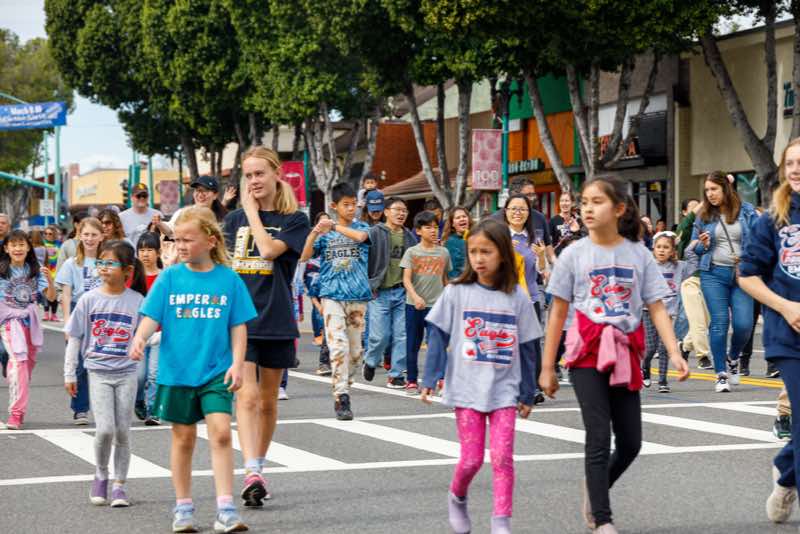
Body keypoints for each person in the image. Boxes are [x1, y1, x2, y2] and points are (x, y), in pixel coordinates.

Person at [540, 175, 689, 534]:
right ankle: (602, 519)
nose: (587, 209)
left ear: (619, 208)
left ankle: (595, 487)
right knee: (597, 434)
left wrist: (674, 351)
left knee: (631, 443)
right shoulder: (573, 254)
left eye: (597, 202)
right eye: (584, 202)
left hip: (624, 352)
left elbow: (656, 306)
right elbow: (557, 313)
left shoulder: (638, 254)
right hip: (587, 352)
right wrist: (546, 367)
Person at [130, 206, 256, 533]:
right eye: (177, 240)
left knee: (222, 432)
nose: (180, 245)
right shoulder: (170, 277)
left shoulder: (229, 279)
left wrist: (238, 363)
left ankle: (226, 509)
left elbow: (238, 326)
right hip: (177, 371)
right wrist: (140, 338)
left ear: (210, 241)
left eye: (188, 239)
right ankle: (183, 507)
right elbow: (151, 316)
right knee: (183, 438)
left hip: (216, 370)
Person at [420, 218, 540, 534]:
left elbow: (529, 347)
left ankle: (501, 521)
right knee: (471, 460)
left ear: (502, 254)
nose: (478, 258)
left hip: (504, 391)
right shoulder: (457, 292)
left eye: (486, 251)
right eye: (473, 251)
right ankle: (457, 497)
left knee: (502, 458)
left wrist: (528, 391)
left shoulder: (518, 297)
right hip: (466, 389)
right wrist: (430, 378)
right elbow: (438, 335)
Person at [223, 146, 310, 508]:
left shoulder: (295, 220)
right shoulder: (232, 220)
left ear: (276, 173)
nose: (254, 181)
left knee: (269, 401)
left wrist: (251, 213)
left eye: (259, 173)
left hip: (276, 317)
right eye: (248, 175)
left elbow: (269, 250)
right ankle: (251, 471)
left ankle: (258, 464)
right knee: (247, 396)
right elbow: (222, 267)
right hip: (240, 321)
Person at [737, 137, 800, 525]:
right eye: (790, 163)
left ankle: (786, 471)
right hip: (789, 336)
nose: (795, 169)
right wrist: (785, 306)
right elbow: (747, 275)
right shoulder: (772, 220)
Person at [64, 240, 146, 507]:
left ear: (127, 270)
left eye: (110, 263)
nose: (103, 267)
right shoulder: (88, 299)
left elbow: (147, 334)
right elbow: (74, 336)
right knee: (105, 430)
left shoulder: (137, 301)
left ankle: (120, 485)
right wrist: (69, 373)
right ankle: (101, 474)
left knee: (123, 432)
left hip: (127, 373)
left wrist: (146, 344)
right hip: (98, 372)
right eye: (101, 262)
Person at [301, 182, 370, 420]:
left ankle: (345, 385)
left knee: (355, 352)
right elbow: (305, 255)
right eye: (346, 204)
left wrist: (334, 226)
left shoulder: (362, 227)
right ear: (334, 206)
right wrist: (314, 232)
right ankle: (342, 396)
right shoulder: (325, 234)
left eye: (354, 204)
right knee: (338, 346)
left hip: (357, 296)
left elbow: (361, 237)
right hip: (331, 295)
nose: (351, 208)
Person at [691, 171, 758, 392]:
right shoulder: (704, 215)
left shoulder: (747, 211)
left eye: (714, 189)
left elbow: (761, 240)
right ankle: (720, 373)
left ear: (725, 189)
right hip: (713, 274)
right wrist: (703, 244)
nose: (710, 194)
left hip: (742, 276)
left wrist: (748, 257)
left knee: (744, 325)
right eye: (707, 190)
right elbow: (693, 248)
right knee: (719, 323)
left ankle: (733, 357)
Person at [0, 230, 55, 429]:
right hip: (9, 322)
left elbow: (50, 297)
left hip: (31, 322)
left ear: (28, 247)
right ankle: (16, 413)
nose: (18, 248)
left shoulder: (35, 269)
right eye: (13, 245)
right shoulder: (2, 270)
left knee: (27, 366)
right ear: (6, 248)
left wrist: (49, 280)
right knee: (19, 363)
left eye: (21, 244)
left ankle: (17, 389)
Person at [55, 217, 104, 425]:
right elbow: (66, 295)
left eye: (94, 235)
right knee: (79, 364)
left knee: (103, 363)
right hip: (79, 311)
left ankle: (104, 408)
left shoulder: (107, 261)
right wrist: (68, 323)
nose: (90, 239)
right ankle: (80, 409)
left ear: (101, 236)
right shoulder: (71, 263)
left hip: (103, 312)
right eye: (86, 235)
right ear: (79, 236)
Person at [364, 196, 416, 388]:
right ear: (386, 212)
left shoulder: (410, 237)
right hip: (379, 293)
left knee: (402, 335)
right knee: (381, 336)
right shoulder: (374, 233)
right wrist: (369, 286)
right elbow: (363, 260)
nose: (401, 213)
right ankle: (371, 361)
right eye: (397, 209)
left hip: (402, 292)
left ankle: (396, 375)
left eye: (404, 210)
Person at [400, 211, 452, 396]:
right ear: (418, 231)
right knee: (413, 344)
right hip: (414, 306)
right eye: (428, 227)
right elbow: (406, 279)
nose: (433, 230)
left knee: (437, 344)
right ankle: (412, 381)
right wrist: (415, 297)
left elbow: (445, 279)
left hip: (437, 306)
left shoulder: (444, 252)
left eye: (436, 227)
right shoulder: (411, 252)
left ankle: (442, 380)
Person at [641, 232, 689, 392]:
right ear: (653, 248)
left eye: (666, 247)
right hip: (648, 310)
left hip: (668, 312)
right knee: (650, 347)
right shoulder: (647, 265)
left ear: (673, 251)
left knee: (664, 348)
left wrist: (696, 244)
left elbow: (694, 261)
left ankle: (663, 380)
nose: (662, 250)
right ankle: (645, 366)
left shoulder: (679, 267)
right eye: (659, 247)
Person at [675, 199, 712, 370]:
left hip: (710, 281)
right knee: (697, 320)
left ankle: (685, 345)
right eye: (694, 207)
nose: (699, 209)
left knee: (705, 320)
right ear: (685, 212)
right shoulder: (685, 230)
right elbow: (689, 220)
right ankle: (703, 355)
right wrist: (705, 202)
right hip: (691, 281)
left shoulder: (712, 227)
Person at [492, 178, 556, 264]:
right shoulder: (495, 220)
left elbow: (548, 247)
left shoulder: (540, 218)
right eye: (528, 195)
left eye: (533, 194)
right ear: (514, 194)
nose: (533, 198)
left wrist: (556, 264)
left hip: (536, 271)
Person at [134, 232, 163, 425]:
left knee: (154, 374)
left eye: (150, 250)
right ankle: (138, 400)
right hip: (138, 334)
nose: (145, 254)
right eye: (142, 250)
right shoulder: (133, 277)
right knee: (139, 376)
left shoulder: (164, 276)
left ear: (158, 253)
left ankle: (154, 411)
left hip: (160, 333)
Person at [119, 183, 168, 247]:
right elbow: (119, 239)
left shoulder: (157, 214)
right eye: (138, 196)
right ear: (131, 197)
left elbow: (168, 235)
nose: (142, 198)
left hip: (152, 252)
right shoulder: (121, 217)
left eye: (144, 195)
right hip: (130, 253)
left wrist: (160, 224)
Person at [549, 191, 583, 256]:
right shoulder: (553, 221)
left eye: (567, 201)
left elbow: (583, 241)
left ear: (572, 203)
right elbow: (548, 243)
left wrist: (577, 230)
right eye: (562, 201)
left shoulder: (578, 220)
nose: (564, 203)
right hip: (559, 257)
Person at [443, 207, 472, 279]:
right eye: (458, 218)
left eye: (464, 216)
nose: (462, 219)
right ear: (452, 224)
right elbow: (455, 267)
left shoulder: (475, 236)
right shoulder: (451, 241)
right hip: (458, 280)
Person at [42, 225, 61, 321]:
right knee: (46, 293)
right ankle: (46, 313)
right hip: (45, 272)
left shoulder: (59, 244)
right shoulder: (42, 243)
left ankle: (54, 314)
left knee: (55, 294)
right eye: (46, 233)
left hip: (56, 272)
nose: (47, 235)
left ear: (54, 234)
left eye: (50, 234)